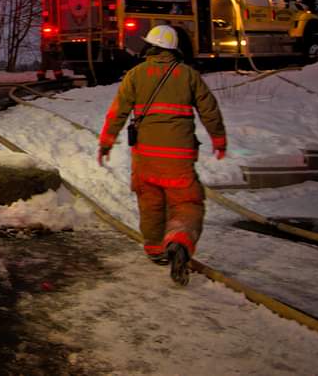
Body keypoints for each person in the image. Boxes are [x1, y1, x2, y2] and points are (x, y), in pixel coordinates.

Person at [96, 25, 227, 285]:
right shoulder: (188, 75)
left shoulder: (135, 74)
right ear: (173, 48)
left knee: (150, 201)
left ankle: (155, 249)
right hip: (178, 156)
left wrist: (106, 143)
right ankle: (178, 240)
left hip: (145, 155)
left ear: (150, 46)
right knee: (187, 203)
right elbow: (209, 109)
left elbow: (117, 112)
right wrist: (219, 139)